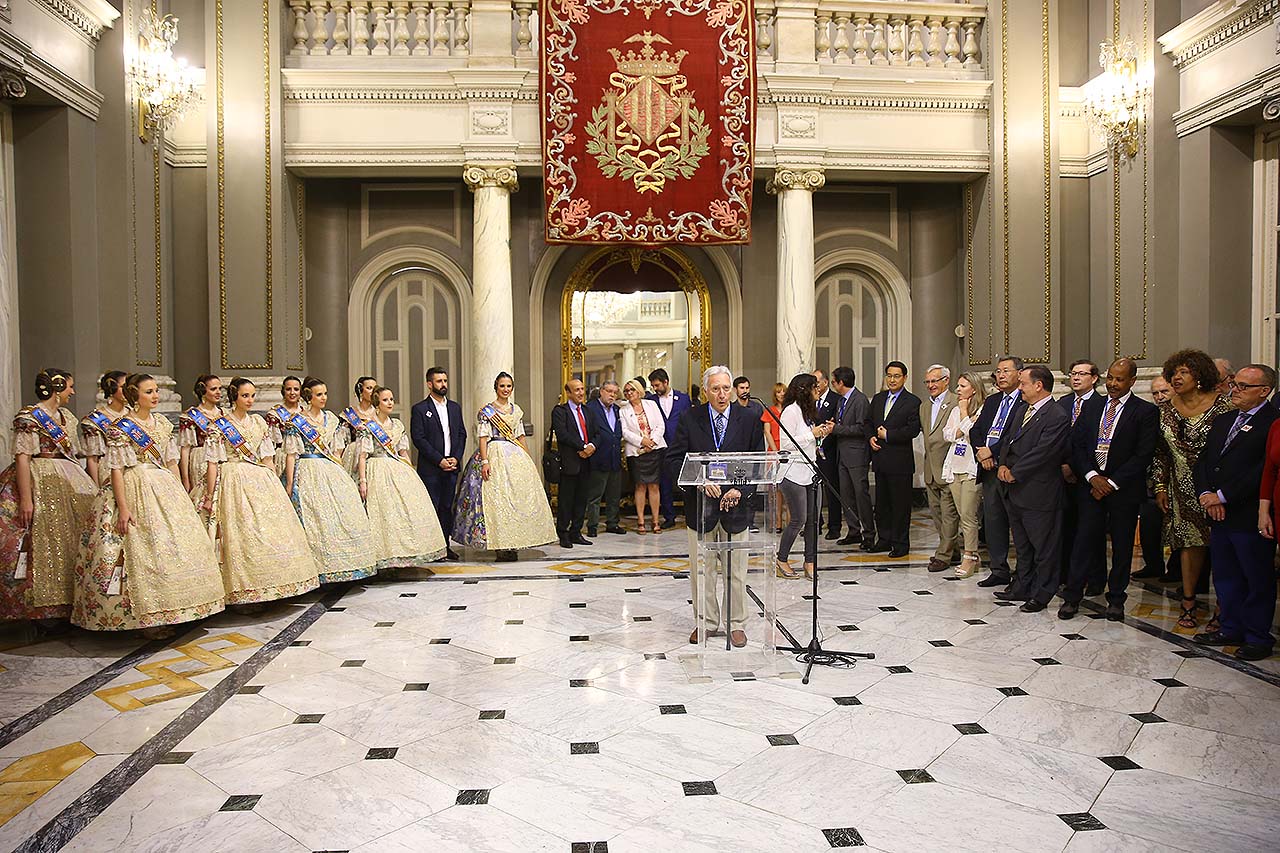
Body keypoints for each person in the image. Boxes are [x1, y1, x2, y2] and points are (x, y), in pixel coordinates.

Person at [73, 374, 226, 633]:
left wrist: (180, 494)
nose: (155, 396)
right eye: (149, 392)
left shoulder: (163, 424)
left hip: (164, 486)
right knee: (142, 549)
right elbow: (117, 470)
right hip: (134, 485)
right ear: (135, 396)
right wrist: (123, 508)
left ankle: (179, 609)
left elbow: (171, 462)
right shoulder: (121, 428)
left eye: (156, 391)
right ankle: (144, 616)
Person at [665, 365, 765, 648]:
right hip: (701, 509)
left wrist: (739, 489)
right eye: (715, 389)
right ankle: (705, 622)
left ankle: (736, 624)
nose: (722, 394)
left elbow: (757, 462)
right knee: (702, 571)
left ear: (732, 389)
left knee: (736, 570)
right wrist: (699, 481)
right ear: (705, 391)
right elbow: (674, 461)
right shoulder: (689, 418)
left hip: (737, 509)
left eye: (726, 388)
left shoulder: (749, 418)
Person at [199, 377, 321, 604]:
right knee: (240, 533)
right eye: (245, 396)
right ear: (234, 396)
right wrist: (208, 494)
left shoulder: (258, 423)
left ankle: (274, 585)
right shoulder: (220, 425)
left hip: (260, 479)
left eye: (252, 395)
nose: (250, 400)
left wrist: (273, 482)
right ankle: (242, 591)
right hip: (233, 479)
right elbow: (213, 462)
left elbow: (267, 457)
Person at [1059, 359, 1159, 621]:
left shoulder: (1144, 411)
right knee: (1083, 542)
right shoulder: (1093, 408)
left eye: (1120, 379)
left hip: (1123, 490)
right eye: (1110, 378)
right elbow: (1077, 446)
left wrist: (1111, 483)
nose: (1113, 384)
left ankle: (1116, 599)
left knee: (1123, 546)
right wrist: (1092, 477)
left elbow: (1143, 454)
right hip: (1091, 487)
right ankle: (1072, 597)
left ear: (1132, 381)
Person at [0, 369, 97, 622]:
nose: (72, 392)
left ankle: (74, 601)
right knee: (45, 539)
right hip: (40, 478)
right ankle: (46, 609)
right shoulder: (30, 418)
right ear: (56, 388)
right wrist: (26, 498)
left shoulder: (67, 418)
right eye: (69, 387)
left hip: (69, 477)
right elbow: (22, 458)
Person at [1198, 364, 1279, 660]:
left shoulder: (1273, 422)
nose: (1236, 390)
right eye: (1235, 383)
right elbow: (1205, 461)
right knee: (1225, 574)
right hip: (1218, 514)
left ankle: (1257, 635)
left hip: (1250, 513)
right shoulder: (1224, 420)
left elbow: (1264, 471)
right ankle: (1229, 626)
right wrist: (1206, 493)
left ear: (1264, 391)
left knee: (1256, 577)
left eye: (1245, 386)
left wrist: (1223, 496)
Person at [1151, 348, 1231, 629]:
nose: (1176, 377)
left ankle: (1224, 607)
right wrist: (1160, 486)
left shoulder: (1224, 407)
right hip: (1179, 489)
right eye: (1174, 372)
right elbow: (1160, 453)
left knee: (1222, 548)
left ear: (1200, 375)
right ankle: (1188, 602)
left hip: (1217, 490)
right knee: (1187, 544)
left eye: (1183, 372)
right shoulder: (1165, 411)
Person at [282, 377, 381, 584]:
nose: (324, 398)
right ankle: (315, 570)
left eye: (325, 394)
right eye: (319, 394)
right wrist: (290, 484)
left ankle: (343, 567)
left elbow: (337, 450)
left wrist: (340, 472)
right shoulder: (297, 421)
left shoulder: (331, 420)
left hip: (329, 469)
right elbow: (291, 454)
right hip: (306, 470)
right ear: (309, 396)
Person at [453, 372, 557, 560]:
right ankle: (500, 544)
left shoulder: (516, 410)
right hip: (494, 453)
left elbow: (520, 436)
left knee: (515, 500)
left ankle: (514, 543)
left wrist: (528, 459)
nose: (506, 389)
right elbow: (483, 438)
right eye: (502, 386)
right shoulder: (488, 411)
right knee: (497, 500)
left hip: (515, 456)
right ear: (496, 388)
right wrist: (485, 461)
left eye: (509, 386)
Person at [993, 366, 1070, 612]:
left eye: (1023, 383)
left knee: (1044, 547)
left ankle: (1043, 592)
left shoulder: (1056, 415)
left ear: (1038, 385)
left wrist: (1016, 472)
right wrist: (1003, 464)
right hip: (1014, 491)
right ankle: (1022, 586)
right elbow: (1008, 440)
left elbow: (1044, 452)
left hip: (1039, 493)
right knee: (1023, 546)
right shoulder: (1022, 410)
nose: (1020, 388)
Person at [356, 386, 448, 570]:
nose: (390, 403)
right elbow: (362, 456)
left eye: (391, 399)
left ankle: (404, 556)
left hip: (397, 470)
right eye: (385, 400)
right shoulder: (367, 427)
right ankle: (383, 559)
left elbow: (403, 452)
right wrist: (363, 481)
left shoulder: (397, 425)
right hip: (377, 470)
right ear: (377, 403)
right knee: (383, 515)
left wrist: (411, 472)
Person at [970, 356, 1026, 588]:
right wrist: (981, 451)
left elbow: (1014, 436)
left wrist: (990, 452)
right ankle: (998, 568)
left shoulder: (1024, 402)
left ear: (1019, 374)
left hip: (1010, 469)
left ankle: (1023, 573)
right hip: (988, 469)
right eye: (998, 371)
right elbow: (977, 429)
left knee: (1018, 523)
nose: (1000, 375)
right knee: (993, 522)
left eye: (1006, 371)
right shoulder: (993, 401)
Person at [774, 373, 833, 580]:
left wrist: (820, 436)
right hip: (793, 472)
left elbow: (808, 443)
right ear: (804, 390)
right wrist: (812, 434)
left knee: (813, 521)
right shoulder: (790, 411)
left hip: (810, 471)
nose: (818, 391)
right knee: (798, 519)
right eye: (814, 388)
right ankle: (781, 560)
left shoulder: (807, 413)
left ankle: (810, 561)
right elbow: (786, 444)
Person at [1057, 359, 1105, 590]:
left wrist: (1079, 469)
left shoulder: (1102, 404)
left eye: (1082, 374)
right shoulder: (1063, 403)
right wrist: (1064, 466)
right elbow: (1057, 439)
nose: (1076, 378)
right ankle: (1067, 576)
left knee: (1090, 531)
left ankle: (1095, 580)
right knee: (1066, 528)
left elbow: (1093, 443)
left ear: (1094, 378)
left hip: (1090, 476)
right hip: (1063, 474)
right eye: (1073, 373)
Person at [410, 367, 467, 560]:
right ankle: (431, 549)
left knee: (446, 507)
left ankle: (445, 546)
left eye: (445, 380)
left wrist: (456, 458)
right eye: (439, 381)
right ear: (429, 384)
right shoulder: (419, 409)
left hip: (451, 467)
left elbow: (461, 434)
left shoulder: (454, 407)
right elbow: (419, 439)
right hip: (431, 469)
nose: (443, 384)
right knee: (432, 508)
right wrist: (439, 460)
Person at [867, 361, 922, 557]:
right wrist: (871, 437)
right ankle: (884, 539)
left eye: (896, 376)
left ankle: (900, 544)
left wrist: (888, 435)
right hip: (881, 460)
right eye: (889, 375)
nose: (892, 379)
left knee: (900, 506)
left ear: (905, 378)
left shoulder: (913, 401)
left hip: (900, 463)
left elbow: (913, 430)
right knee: (882, 505)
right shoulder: (878, 399)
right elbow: (869, 423)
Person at [941, 373, 986, 578]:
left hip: (971, 469)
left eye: (962, 386)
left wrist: (964, 413)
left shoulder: (984, 409)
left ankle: (969, 556)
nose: (958, 390)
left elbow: (973, 434)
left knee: (969, 516)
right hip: (954, 468)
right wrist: (964, 422)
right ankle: (974, 556)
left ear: (973, 389)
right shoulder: (955, 410)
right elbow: (948, 435)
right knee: (962, 515)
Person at [1133, 375, 1173, 580]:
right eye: (1155, 393)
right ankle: (1153, 565)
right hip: (1150, 481)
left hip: (1176, 480)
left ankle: (1176, 570)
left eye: (1164, 391)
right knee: (1149, 526)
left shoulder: (1181, 415)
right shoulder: (1150, 414)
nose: (1159, 397)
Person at [829, 366, 874, 547]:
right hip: (843, 454)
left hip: (857, 455)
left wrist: (836, 429)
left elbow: (862, 428)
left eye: (834, 382)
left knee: (861, 495)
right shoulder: (841, 401)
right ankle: (853, 530)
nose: (833, 385)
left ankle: (869, 533)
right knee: (846, 496)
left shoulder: (860, 400)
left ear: (841, 382)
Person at [551, 378, 598, 548]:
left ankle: (576, 532)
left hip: (587, 461)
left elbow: (597, 433)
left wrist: (591, 446)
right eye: (576, 390)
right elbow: (563, 434)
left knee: (581, 499)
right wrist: (582, 446)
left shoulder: (588, 411)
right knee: (566, 500)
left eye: (582, 389)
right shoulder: (560, 411)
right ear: (568, 393)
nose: (580, 393)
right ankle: (563, 533)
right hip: (570, 461)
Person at [919, 364, 958, 571]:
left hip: (948, 466)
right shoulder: (925, 406)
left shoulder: (956, 402)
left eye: (935, 381)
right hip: (930, 469)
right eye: (928, 382)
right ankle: (953, 549)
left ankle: (943, 555)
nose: (931, 385)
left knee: (949, 513)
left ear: (946, 380)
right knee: (937, 514)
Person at [619, 379, 666, 534]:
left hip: (655, 449)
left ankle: (655, 520)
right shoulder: (623, 410)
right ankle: (640, 520)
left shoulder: (651, 405)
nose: (629, 393)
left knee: (654, 486)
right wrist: (642, 441)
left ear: (639, 391)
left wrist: (652, 442)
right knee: (640, 486)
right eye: (626, 391)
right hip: (636, 452)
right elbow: (625, 432)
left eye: (631, 390)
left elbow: (660, 425)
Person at [647, 368, 692, 528]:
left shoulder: (684, 399)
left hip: (681, 446)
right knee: (664, 482)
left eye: (657, 385)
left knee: (686, 482)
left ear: (666, 382)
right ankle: (669, 517)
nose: (655, 388)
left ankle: (690, 515)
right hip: (661, 447)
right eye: (653, 386)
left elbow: (690, 421)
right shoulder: (650, 400)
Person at [584, 380, 625, 537]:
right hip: (598, 458)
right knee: (595, 495)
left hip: (614, 457)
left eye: (615, 392)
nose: (612, 395)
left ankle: (612, 523)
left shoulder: (616, 409)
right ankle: (592, 525)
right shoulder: (591, 408)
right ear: (601, 391)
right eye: (609, 391)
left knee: (614, 495)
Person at [81, 371, 130, 487]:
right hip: (109, 469)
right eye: (123, 387)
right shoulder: (96, 419)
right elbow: (92, 458)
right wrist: (96, 487)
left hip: (132, 466)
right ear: (112, 389)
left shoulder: (132, 414)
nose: (128, 391)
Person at [179, 375, 223, 494]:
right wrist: (185, 479)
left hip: (222, 458)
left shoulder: (225, 414)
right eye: (213, 389)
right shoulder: (191, 416)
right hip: (201, 459)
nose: (218, 392)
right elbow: (185, 449)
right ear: (203, 391)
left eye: (220, 388)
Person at [813, 369, 844, 538]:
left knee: (832, 489)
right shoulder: (810, 399)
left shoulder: (835, 399)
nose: (815, 385)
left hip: (830, 450)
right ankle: (816, 523)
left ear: (825, 382)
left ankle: (834, 526)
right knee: (813, 489)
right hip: (813, 451)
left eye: (817, 381)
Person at [265, 376, 305, 476]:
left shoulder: (306, 412)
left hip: (304, 457)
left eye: (296, 389)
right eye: (288, 389)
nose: (292, 393)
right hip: (282, 456)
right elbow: (272, 442)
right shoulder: (275, 414)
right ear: (283, 391)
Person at [340, 376, 379, 476]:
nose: (373, 392)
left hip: (375, 456)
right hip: (354, 455)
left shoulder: (379, 413)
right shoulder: (350, 414)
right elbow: (342, 441)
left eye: (375, 389)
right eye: (369, 388)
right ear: (361, 391)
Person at [762, 382, 785, 453]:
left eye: (784, 391)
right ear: (775, 395)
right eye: (778, 392)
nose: (782, 394)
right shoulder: (769, 411)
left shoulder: (790, 410)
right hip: (774, 447)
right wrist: (775, 451)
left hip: (788, 446)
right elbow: (767, 432)